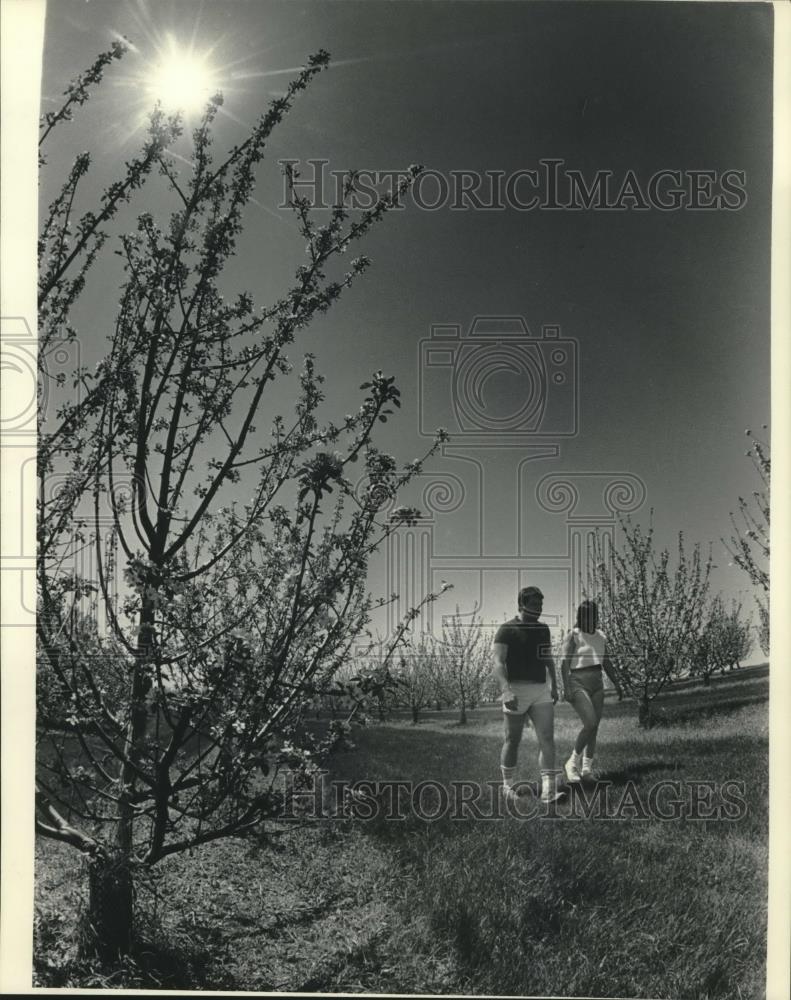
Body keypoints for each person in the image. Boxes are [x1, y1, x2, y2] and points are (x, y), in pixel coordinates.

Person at [493, 586, 565, 803]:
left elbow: (547, 658)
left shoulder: (543, 630)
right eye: (534, 605)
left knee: (547, 738)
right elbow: (497, 662)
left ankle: (548, 791)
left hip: (540, 690)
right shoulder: (506, 629)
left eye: (541, 605)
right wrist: (505, 691)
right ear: (521, 605)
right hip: (515, 690)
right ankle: (507, 786)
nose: (539, 609)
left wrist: (554, 685)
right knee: (512, 740)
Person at [560, 600, 621, 782]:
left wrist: (617, 683)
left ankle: (587, 770)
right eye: (587, 616)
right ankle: (571, 763)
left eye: (594, 616)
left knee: (594, 728)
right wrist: (566, 687)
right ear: (580, 617)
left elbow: (606, 661)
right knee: (590, 723)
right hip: (577, 681)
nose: (591, 620)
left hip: (597, 682)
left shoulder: (601, 636)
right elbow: (563, 663)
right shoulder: (574, 635)